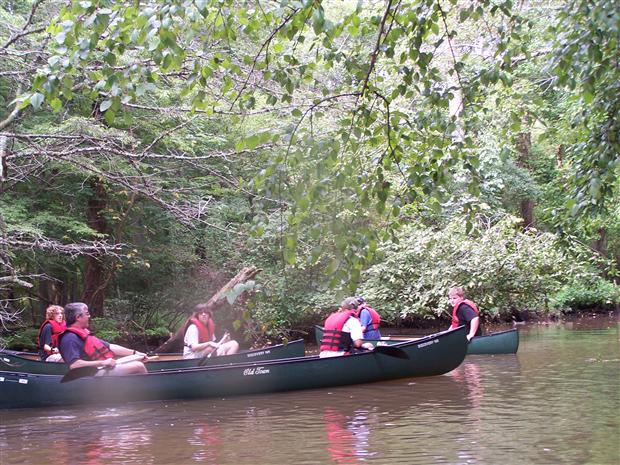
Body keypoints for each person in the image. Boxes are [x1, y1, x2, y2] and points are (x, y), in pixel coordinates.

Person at [58, 302, 147, 375]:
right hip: (87, 375)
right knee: (138, 366)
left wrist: (135, 353)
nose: (89, 316)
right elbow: (74, 365)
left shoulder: (84, 334)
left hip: (98, 369)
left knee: (137, 359)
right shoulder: (69, 338)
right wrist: (102, 363)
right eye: (87, 314)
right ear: (78, 317)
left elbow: (111, 347)